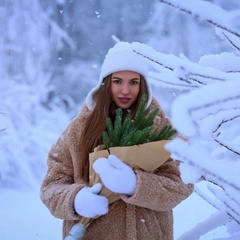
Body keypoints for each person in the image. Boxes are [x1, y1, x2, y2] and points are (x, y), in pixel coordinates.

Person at [40, 41, 194, 240]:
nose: (125, 90)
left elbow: (182, 185)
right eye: (118, 81)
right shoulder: (78, 129)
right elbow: (50, 187)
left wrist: (136, 185)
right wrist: (75, 200)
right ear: (106, 83)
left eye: (133, 82)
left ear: (143, 85)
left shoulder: (161, 129)